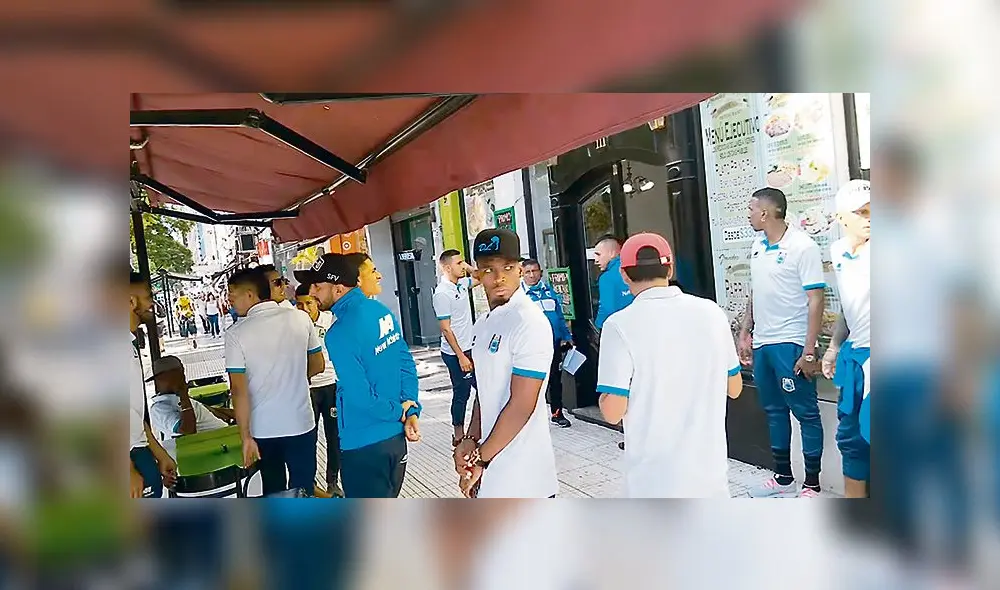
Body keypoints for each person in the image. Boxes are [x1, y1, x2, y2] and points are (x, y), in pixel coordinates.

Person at [596, 233, 743, 497]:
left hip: (653, 482)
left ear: (624, 275)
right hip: (710, 478)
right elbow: (734, 388)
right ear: (670, 268)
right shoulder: (711, 312)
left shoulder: (619, 325)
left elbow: (612, 412)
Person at [300, 254, 421, 498]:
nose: (310, 291)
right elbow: (405, 363)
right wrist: (410, 410)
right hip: (396, 440)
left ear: (338, 288)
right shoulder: (380, 311)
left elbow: (360, 396)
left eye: (317, 285)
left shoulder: (338, 333)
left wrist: (399, 411)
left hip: (363, 444)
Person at [454, 229, 559, 499]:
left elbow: (522, 404)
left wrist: (480, 459)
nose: (499, 277)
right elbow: (485, 391)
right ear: (477, 275)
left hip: (527, 479)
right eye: (489, 269)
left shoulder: (529, 322)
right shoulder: (484, 324)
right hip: (493, 473)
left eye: (508, 267)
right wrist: (470, 438)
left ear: (521, 270)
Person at [738, 187, 826, 498]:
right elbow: (755, 290)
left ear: (765, 213)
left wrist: (810, 351)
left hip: (791, 342)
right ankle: (783, 476)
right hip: (763, 342)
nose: (747, 214)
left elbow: (816, 299)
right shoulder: (757, 245)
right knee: (774, 410)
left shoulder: (803, 247)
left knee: (805, 412)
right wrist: (745, 330)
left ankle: (812, 483)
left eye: (751, 209)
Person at [225, 267, 326, 496]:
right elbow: (318, 364)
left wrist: (245, 437)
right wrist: (296, 377)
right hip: (301, 422)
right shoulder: (301, 318)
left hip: (263, 428)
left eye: (233, 294)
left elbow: (238, 391)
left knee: (273, 490)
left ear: (251, 295)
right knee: (304, 489)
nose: (229, 300)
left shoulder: (235, 333)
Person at [819, 180, 871, 499]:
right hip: (853, 359)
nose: (869, 217)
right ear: (842, 218)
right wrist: (834, 347)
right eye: (861, 212)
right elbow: (848, 308)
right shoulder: (837, 251)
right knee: (851, 441)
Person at [130, 271, 177, 498]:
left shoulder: (127, 343)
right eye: (148, 296)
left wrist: (159, 454)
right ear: (130, 301)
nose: (152, 303)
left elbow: (134, 414)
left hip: (140, 452)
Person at [295, 282, 344, 498]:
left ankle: (332, 481)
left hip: (331, 385)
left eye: (308, 303)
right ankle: (310, 483)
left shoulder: (331, 321)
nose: (304, 309)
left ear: (316, 303)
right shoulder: (293, 326)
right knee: (309, 438)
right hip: (308, 389)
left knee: (334, 436)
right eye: (299, 304)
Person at [433, 249, 480, 445]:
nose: (463, 266)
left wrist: (468, 267)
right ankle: (458, 433)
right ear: (446, 267)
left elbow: (480, 276)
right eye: (459, 263)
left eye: (463, 263)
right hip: (455, 352)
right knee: (462, 392)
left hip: (471, 346)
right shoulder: (442, 294)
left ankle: (480, 427)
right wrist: (461, 356)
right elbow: (446, 329)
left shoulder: (460, 284)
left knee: (483, 387)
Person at [521, 258, 574, 428]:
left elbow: (559, 316)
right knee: (534, 381)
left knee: (555, 379)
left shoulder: (549, 291)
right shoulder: (520, 296)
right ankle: (531, 417)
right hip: (533, 347)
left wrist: (567, 336)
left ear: (540, 272)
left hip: (554, 343)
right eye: (527, 272)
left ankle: (557, 413)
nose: (531, 275)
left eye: (534, 271)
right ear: (522, 273)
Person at [147, 355, 231, 457]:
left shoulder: (175, 398)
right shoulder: (159, 408)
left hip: (223, 440)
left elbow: (209, 410)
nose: (184, 376)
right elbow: (188, 430)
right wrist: (184, 396)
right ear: (165, 377)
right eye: (180, 372)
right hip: (217, 450)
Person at [592, 234, 635, 329]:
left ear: (612, 253)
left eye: (598, 254)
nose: (595, 260)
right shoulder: (633, 270)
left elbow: (606, 309)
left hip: (619, 330)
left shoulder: (607, 278)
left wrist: (596, 330)